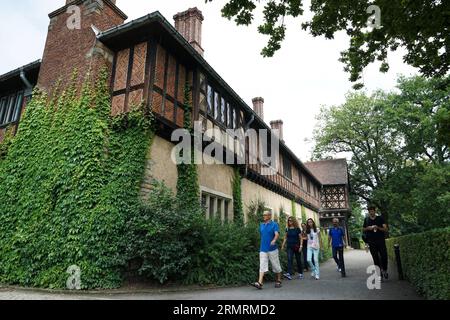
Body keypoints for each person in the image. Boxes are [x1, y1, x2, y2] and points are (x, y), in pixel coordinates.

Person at [251, 210, 283, 289]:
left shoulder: (274, 224)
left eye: (265, 215)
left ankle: (278, 280)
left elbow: (276, 234)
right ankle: (260, 283)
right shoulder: (261, 225)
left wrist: (274, 240)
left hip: (272, 249)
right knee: (262, 265)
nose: (263, 216)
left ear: (269, 216)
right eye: (263, 215)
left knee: (276, 265)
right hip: (263, 249)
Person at [363, 205, 389, 281]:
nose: (371, 212)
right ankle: (379, 273)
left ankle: (385, 270)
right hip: (371, 242)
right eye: (370, 211)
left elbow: (386, 229)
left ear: (375, 211)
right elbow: (363, 229)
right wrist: (368, 228)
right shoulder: (366, 220)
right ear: (369, 212)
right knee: (375, 258)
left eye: (372, 211)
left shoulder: (380, 218)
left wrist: (378, 228)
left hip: (381, 241)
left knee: (384, 256)